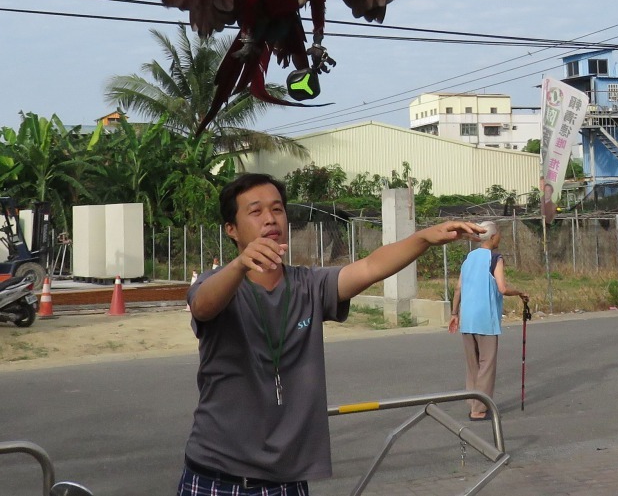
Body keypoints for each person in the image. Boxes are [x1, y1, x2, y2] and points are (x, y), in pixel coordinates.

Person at [179, 172, 483, 495]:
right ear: (232, 229)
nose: (270, 219)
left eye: (277, 209)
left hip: (286, 482)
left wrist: (423, 238)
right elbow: (202, 306)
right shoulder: (216, 283)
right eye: (255, 212)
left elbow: (369, 267)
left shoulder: (310, 285)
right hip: (217, 478)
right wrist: (240, 265)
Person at [447, 220, 528, 422]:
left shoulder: (469, 258)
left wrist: (454, 313)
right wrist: (520, 292)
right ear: (492, 237)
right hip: (486, 319)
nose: (500, 236)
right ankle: (479, 408)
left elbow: (458, 288)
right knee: (486, 364)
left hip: (468, 319)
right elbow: (502, 288)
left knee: (473, 365)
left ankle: (473, 402)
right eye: (499, 233)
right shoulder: (495, 258)